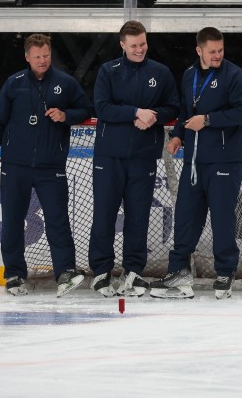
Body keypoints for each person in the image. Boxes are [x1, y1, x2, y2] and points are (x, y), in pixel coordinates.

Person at [0, 33, 92, 297]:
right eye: (37, 57)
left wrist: (66, 115)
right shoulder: (14, 83)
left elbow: (85, 110)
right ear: (27, 57)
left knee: (58, 220)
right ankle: (14, 275)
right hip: (15, 165)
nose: (42, 60)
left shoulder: (65, 83)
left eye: (46, 55)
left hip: (50, 166)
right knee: (12, 221)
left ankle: (65, 272)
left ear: (50, 54)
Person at [150, 26, 242, 300]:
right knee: (186, 217)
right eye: (212, 51)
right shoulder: (189, 75)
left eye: (220, 50)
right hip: (194, 161)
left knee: (222, 217)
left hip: (224, 160)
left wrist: (207, 120)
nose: (217, 55)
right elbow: (186, 111)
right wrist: (178, 137)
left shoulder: (234, 75)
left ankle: (225, 272)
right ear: (199, 51)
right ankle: (179, 271)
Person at [89, 20, 179, 297]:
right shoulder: (108, 70)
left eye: (142, 44)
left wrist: (153, 117)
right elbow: (102, 108)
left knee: (138, 217)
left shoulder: (160, 72)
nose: (139, 49)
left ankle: (134, 272)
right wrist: (135, 112)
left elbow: (173, 107)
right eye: (134, 46)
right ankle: (102, 273)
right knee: (104, 214)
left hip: (143, 157)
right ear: (122, 45)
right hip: (109, 157)